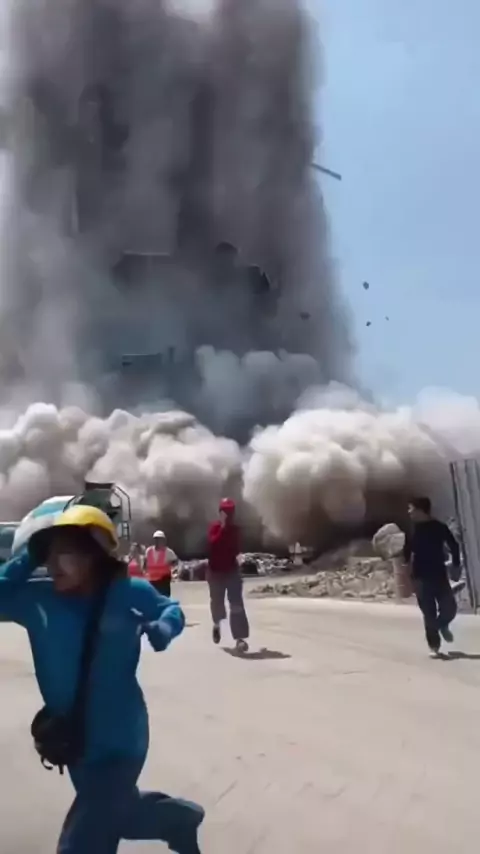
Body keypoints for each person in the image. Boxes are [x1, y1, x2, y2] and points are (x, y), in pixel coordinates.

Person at [0, 504, 204, 853]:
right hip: (76, 742)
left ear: (92, 555)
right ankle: (178, 818)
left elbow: (170, 609)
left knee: (83, 839)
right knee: (118, 816)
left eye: (64, 554)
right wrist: (29, 557)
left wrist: (163, 628)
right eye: (49, 556)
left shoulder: (129, 593)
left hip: (121, 739)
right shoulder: (38, 601)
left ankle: (175, 819)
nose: (53, 565)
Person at [403, 496, 461, 655]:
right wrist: (406, 575)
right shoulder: (411, 530)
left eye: (411, 509)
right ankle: (434, 646)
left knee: (450, 608)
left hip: (439, 574)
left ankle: (441, 624)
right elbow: (406, 553)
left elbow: (454, 545)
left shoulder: (439, 527)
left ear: (421, 510)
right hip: (420, 577)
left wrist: (456, 564)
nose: (409, 512)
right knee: (429, 612)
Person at [207, 498, 249, 653]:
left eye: (231, 511)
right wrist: (223, 528)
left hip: (231, 571)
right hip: (215, 572)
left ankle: (240, 639)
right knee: (217, 603)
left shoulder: (236, 530)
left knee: (236, 603)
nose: (229, 514)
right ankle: (217, 624)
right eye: (225, 511)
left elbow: (236, 548)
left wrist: (240, 558)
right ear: (220, 513)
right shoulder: (214, 528)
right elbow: (213, 544)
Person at [145, 531, 178, 598]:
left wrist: (173, 571)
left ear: (163, 540)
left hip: (163, 581)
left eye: (159, 539)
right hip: (152, 580)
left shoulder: (168, 552)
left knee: (164, 598)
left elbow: (175, 562)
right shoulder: (149, 551)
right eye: (156, 539)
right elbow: (145, 563)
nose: (157, 541)